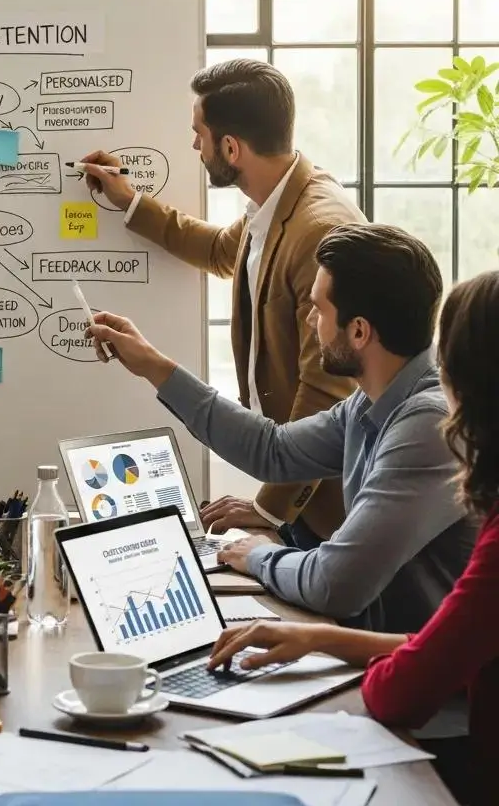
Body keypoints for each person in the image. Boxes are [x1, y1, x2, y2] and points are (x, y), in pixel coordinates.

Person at [87, 223, 477, 632]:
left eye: (319, 309)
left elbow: (334, 584)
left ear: (359, 331)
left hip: (431, 685)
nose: (311, 321)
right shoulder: (374, 399)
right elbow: (274, 451)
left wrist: (257, 554)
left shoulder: (428, 426)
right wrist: (153, 365)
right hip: (378, 653)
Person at [206, 270, 499, 806]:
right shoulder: (367, 406)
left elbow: (403, 691)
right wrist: (320, 639)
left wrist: (269, 560)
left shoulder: (422, 422)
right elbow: (453, 648)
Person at [82, 59, 365, 547]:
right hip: (296, 483)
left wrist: (267, 509)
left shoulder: (319, 229)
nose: (195, 145)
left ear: (230, 147)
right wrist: (129, 200)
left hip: (323, 509)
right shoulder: (280, 201)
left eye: (200, 133)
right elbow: (219, 250)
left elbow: (326, 394)